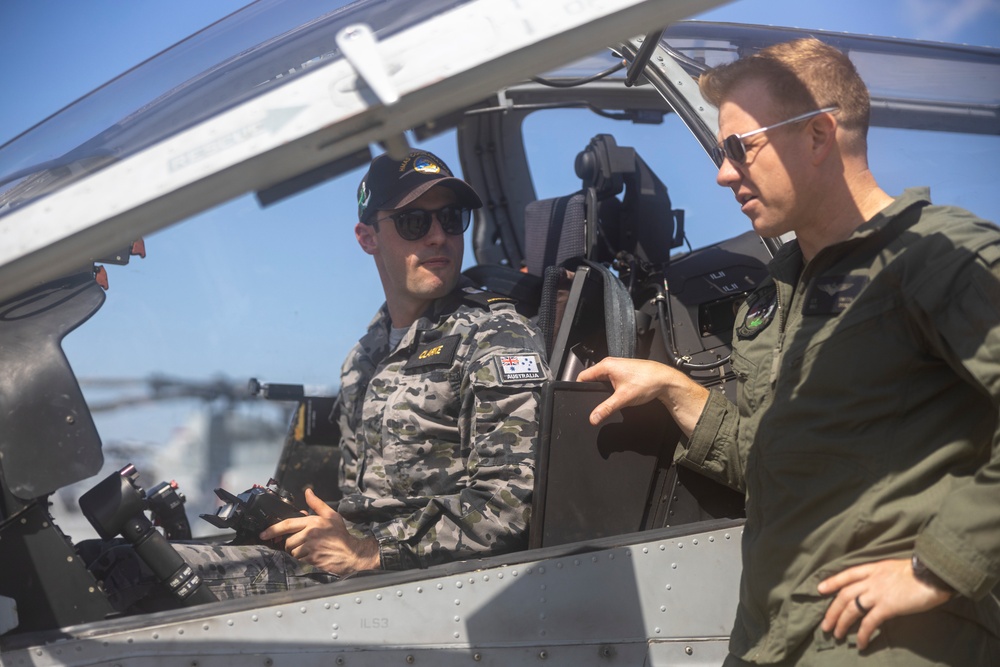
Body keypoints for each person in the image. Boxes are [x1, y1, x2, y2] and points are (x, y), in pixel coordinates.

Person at [577, 38, 1000, 665]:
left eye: (739, 148)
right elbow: (781, 462)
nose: (723, 172)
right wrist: (673, 389)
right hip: (775, 639)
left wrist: (937, 567)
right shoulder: (786, 288)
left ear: (818, 136)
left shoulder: (937, 256)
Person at [87, 149, 550, 607]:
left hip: (434, 586)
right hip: (364, 573)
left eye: (451, 219)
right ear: (367, 237)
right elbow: (362, 502)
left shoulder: (495, 338)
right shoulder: (365, 356)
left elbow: (510, 508)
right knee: (99, 560)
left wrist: (368, 552)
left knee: (133, 582)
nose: (437, 237)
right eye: (414, 222)